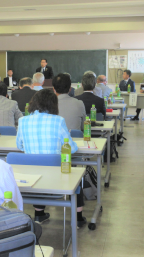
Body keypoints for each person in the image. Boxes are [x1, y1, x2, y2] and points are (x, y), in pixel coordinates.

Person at [16, 89, 86, 227]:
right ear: (53, 105)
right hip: (56, 179)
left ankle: (39, 213)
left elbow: (20, 146)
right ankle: (78, 218)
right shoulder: (58, 121)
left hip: (30, 179)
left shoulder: (22, 120)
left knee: (38, 166)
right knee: (77, 175)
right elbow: (71, 148)